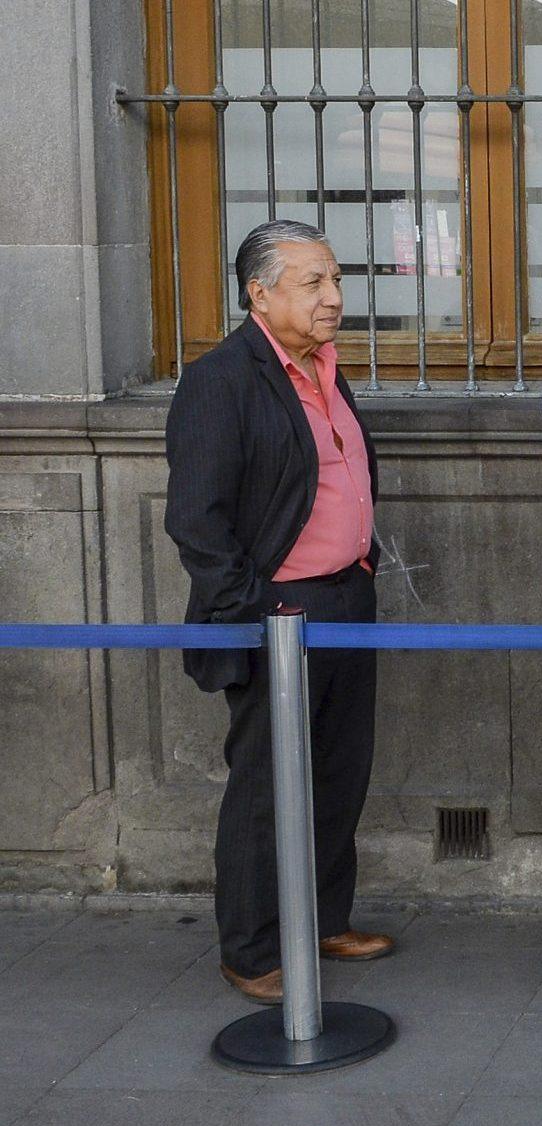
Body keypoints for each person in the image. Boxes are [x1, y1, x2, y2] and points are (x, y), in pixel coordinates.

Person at [164, 219, 397, 1005]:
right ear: (259, 294)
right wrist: (254, 613)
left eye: (336, 280)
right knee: (266, 786)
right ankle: (253, 946)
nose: (333, 297)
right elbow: (197, 520)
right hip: (277, 610)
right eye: (314, 282)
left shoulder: (325, 365)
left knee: (338, 769)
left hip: (345, 599)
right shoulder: (221, 380)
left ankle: (323, 918)